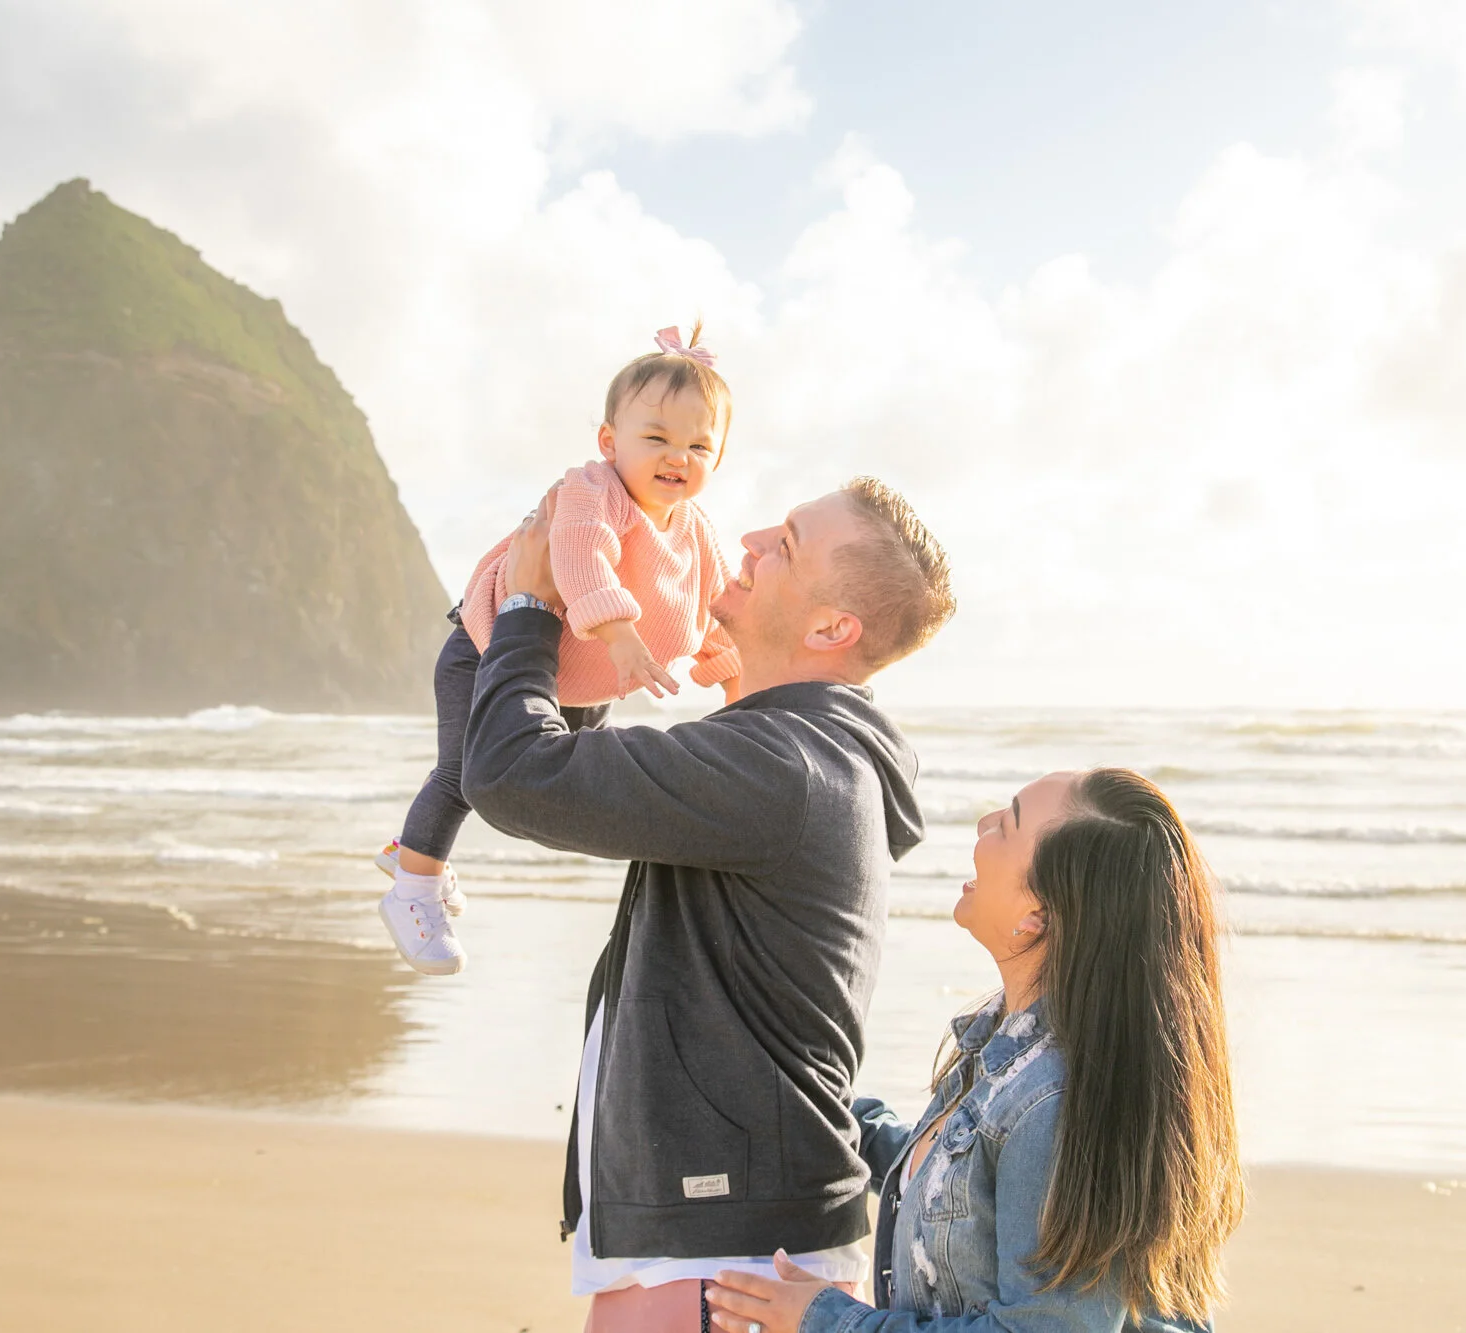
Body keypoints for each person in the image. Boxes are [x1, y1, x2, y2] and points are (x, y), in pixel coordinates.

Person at [462, 476, 956, 1331]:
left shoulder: (783, 764)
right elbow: (584, 777)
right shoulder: (799, 752)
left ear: (831, 628)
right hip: (721, 1236)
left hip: (726, 1251)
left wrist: (532, 608)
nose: (750, 539)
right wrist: (603, 631)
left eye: (787, 544)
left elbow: (514, 772)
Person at [703, 769, 1244, 1333]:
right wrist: (824, 1112)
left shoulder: (1052, 1101)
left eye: (1007, 824)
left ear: (1039, 915)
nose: (984, 825)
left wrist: (827, 1320)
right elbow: (961, 1189)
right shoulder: (1010, 1044)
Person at [376, 325, 744, 976]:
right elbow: (579, 557)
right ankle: (413, 887)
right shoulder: (592, 491)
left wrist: (734, 683)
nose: (677, 457)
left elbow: (714, 608)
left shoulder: (697, 533)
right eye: (656, 438)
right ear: (609, 441)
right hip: (488, 652)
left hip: (577, 683)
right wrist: (619, 631)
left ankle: (413, 846)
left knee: (567, 779)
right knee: (464, 773)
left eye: (698, 445)